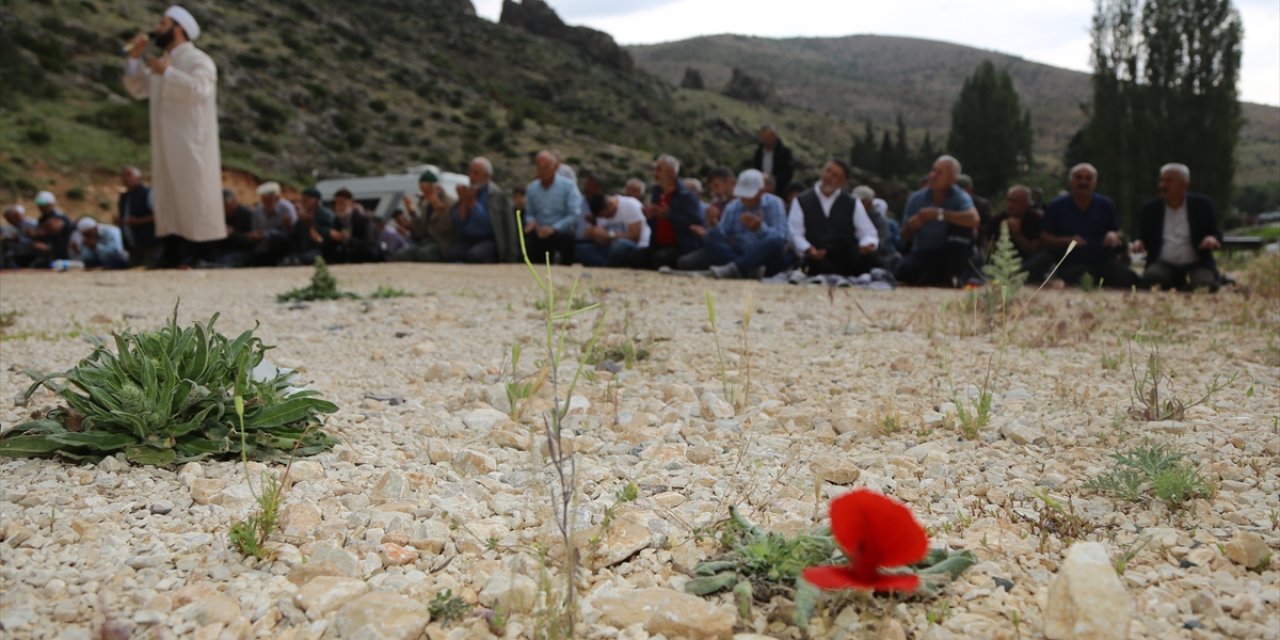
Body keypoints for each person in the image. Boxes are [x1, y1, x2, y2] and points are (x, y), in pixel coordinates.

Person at [123, 5, 226, 266]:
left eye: (163, 24)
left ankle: (202, 251)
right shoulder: (161, 62)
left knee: (194, 192)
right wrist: (135, 58)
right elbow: (137, 88)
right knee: (168, 195)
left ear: (178, 29)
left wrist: (167, 73)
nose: (157, 29)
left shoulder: (197, 60)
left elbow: (199, 89)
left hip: (192, 141)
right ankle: (172, 250)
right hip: (165, 140)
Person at [1040, 163, 1139, 288]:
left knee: (1129, 279)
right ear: (1071, 181)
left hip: (1103, 261)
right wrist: (1067, 240)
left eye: (1088, 178)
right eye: (1079, 177)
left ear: (1095, 182)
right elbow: (1044, 237)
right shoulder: (1056, 206)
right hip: (1072, 262)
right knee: (1082, 279)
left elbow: (1117, 231)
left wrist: (1112, 234)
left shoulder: (1106, 205)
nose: (1083, 182)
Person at [1132, 163, 1222, 292]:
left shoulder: (1203, 205)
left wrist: (1211, 238)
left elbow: (1215, 232)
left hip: (1196, 262)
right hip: (1163, 262)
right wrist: (1139, 242)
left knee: (1205, 286)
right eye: (1162, 180)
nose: (1163, 185)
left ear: (1184, 184)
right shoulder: (1150, 208)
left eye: (1169, 181)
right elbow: (1141, 235)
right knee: (1152, 279)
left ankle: (1185, 285)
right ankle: (1176, 282)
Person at [896, 156, 982, 287]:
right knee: (904, 271)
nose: (933, 175)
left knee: (962, 228)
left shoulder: (960, 197)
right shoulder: (916, 199)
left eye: (940, 172)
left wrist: (940, 214)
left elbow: (974, 219)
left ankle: (949, 276)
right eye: (933, 170)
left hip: (952, 253)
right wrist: (911, 227)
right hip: (924, 252)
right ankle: (941, 278)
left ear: (952, 179)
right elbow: (902, 236)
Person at [789, 160, 879, 276]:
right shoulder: (801, 201)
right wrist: (809, 249)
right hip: (815, 260)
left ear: (843, 182)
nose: (828, 176)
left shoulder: (852, 203)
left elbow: (868, 232)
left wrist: (867, 244)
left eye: (835, 175)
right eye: (828, 171)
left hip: (846, 259)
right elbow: (795, 233)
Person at [702, 169, 789, 279]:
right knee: (710, 237)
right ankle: (747, 270)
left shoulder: (775, 203)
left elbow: (782, 237)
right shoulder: (733, 207)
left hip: (765, 258)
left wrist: (760, 228)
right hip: (739, 253)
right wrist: (713, 223)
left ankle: (737, 268)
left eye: (749, 194)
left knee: (774, 241)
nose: (745, 199)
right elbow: (722, 236)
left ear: (761, 191)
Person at [448, 157, 517, 263]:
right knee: (453, 254)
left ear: (487, 176)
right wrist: (463, 203)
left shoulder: (497, 195)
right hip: (468, 239)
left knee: (474, 256)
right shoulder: (467, 192)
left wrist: (473, 204)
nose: (472, 177)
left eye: (476, 173)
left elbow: (491, 223)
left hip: (488, 240)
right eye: (470, 172)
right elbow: (458, 222)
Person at [640, 154, 703, 269]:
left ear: (671, 173)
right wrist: (649, 217)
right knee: (636, 257)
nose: (655, 174)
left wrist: (669, 216)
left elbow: (695, 223)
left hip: (680, 247)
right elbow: (656, 225)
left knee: (660, 258)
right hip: (658, 245)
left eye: (659, 169)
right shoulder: (657, 193)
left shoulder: (686, 196)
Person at [523, 150, 582, 265]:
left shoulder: (568, 186)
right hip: (539, 232)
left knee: (568, 237)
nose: (543, 171)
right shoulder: (531, 188)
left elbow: (574, 213)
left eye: (546, 167)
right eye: (539, 167)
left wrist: (554, 228)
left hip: (560, 232)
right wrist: (532, 222)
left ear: (555, 167)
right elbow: (529, 213)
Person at [983, 185, 1046, 278]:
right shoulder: (997, 220)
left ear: (1026, 203)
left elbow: (1034, 250)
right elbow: (989, 250)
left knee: (1045, 258)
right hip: (1004, 262)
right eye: (1009, 200)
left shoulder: (1037, 219)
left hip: (1027, 261)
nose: (1010, 205)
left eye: (1015, 201)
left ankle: (1016, 274)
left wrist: (1017, 234)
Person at [394, 171, 455, 262]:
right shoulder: (425, 204)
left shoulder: (449, 203)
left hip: (440, 243)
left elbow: (447, 228)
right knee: (401, 255)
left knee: (424, 254)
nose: (424, 193)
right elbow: (420, 231)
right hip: (424, 242)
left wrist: (440, 211)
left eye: (427, 190)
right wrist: (412, 213)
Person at [576, 193, 650, 268]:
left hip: (635, 247)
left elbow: (635, 237)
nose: (605, 218)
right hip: (609, 248)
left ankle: (608, 265)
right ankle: (606, 265)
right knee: (581, 249)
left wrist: (609, 235)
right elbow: (602, 238)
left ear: (612, 204)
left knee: (619, 244)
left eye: (607, 215)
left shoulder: (630, 205)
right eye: (602, 216)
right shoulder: (601, 213)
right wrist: (595, 234)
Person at [851, 186, 902, 274]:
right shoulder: (850, 217)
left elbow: (883, 242)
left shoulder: (880, 221)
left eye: (861, 202)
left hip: (877, 257)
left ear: (869, 202)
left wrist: (867, 247)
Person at [116, 166, 160, 267]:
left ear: (138, 177)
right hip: (132, 245)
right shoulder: (125, 197)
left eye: (129, 175)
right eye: (123, 176)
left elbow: (158, 217)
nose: (125, 179)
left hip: (150, 244)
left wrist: (138, 221)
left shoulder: (148, 194)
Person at [203, 189, 256, 267]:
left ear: (233, 202)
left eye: (225, 205)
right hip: (222, 249)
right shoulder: (218, 214)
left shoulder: (247, 215)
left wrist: (233, 233)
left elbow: (251, 240)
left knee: (231, 258)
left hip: (240, 250)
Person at [282, 187, 333, 266]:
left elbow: (325, 237)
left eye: (307, 199)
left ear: (316, 200)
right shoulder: (302, 216)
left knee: (306, 259)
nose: (304, 202)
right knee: (287, 260)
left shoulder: (326, 215)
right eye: (303, 200)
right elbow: (294, 236)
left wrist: (310, 223)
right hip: (303, 250)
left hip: (319, 250)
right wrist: (288, 225)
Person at [326, 188, 379, 263]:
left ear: (351, 203)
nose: (339, 206)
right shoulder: (336, 221)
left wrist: (348, 239)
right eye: (336, 203)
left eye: (342, 203)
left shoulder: (363, 220)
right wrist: (331, 237)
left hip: (366, 259)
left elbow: (368, 246)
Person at [250, 182, 295, 266]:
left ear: (277, 197)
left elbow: (293, 231)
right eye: (264, 198)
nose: (266, 200)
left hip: (282, 245)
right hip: (262, 245)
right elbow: (255, 229)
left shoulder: (286, 208)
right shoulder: (258, 210)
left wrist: (288, 224)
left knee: (275, 237)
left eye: (270, 198)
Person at [750, 125, 794, 194]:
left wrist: (772, 181)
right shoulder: (758, 153)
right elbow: (755, 169)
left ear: (774, 137)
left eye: (768, 137)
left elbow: (788, 174)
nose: (766, 140)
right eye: (763, 138)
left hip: (779, 191)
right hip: (760, 190)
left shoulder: (785, 152)